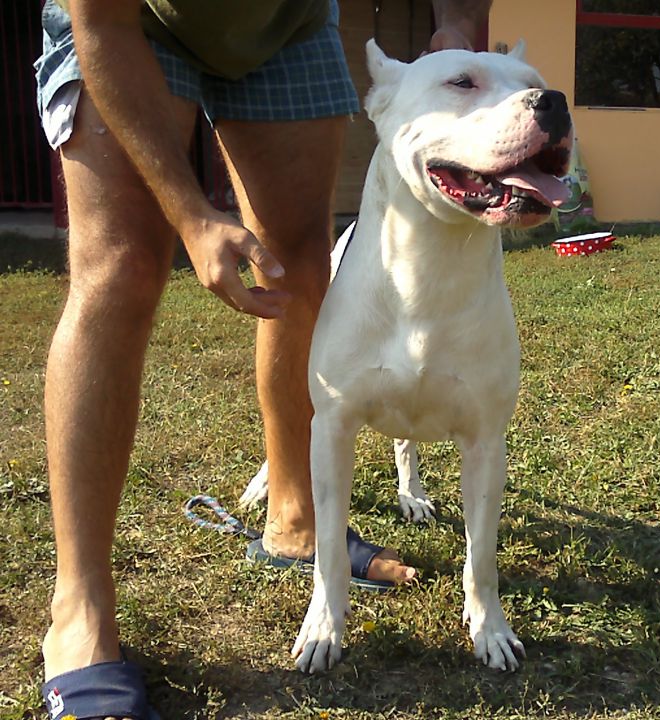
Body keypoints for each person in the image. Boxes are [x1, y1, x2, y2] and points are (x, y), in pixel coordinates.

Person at [35, 0, 491, 716]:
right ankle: (80, 606)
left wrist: (457, 34)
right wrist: (190, 215)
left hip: (287, 25)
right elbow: (102, 24)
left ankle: (296, 519)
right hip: (132, 20)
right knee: (119, 266)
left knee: (295, 264)